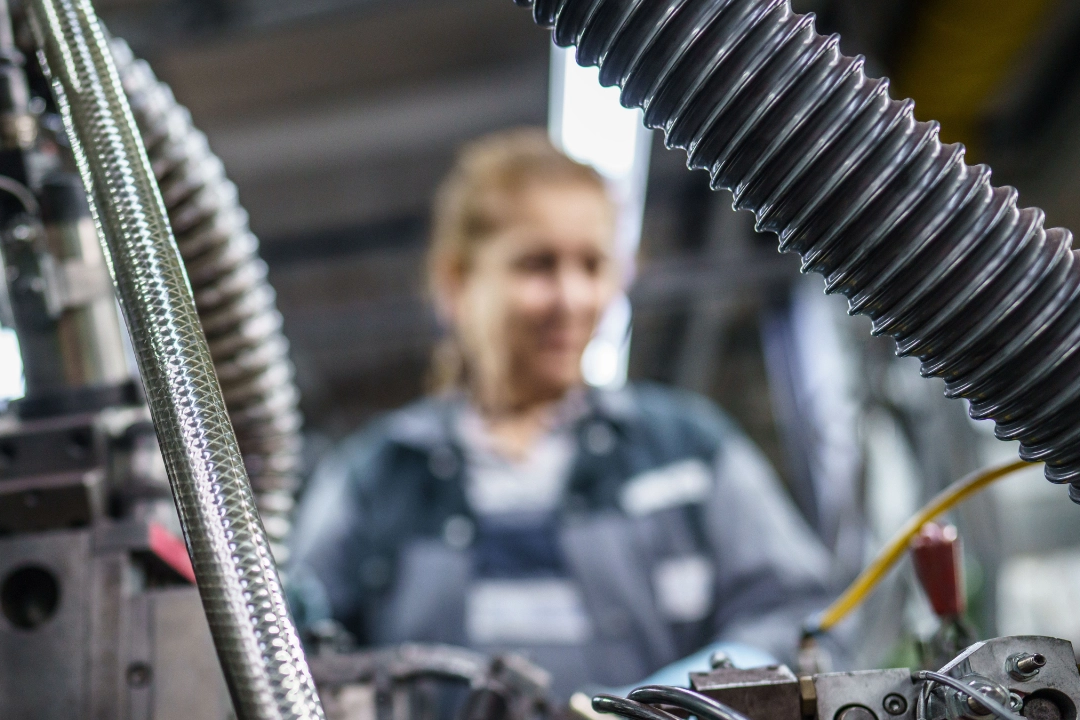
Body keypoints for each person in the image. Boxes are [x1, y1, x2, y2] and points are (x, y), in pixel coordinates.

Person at [288, 128, 833, 699]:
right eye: (537, 265)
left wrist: (662, 707)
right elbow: (286, 659)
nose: (571, 298)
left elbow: (802, 622)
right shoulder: (376, 479)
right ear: (456, 283)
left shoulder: (691, 452)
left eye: (593, 266)